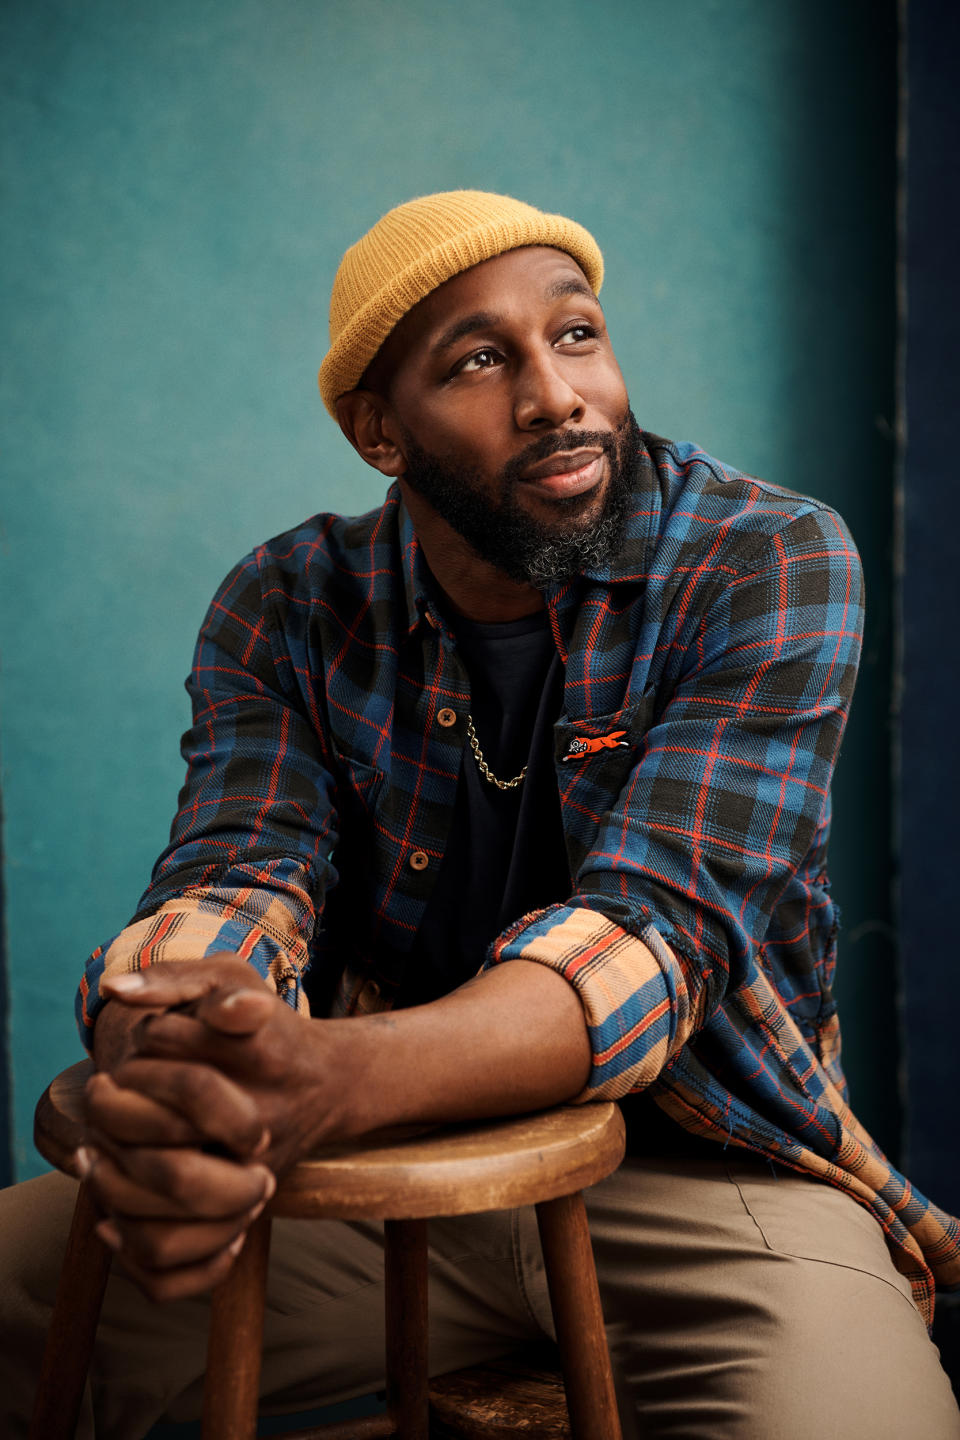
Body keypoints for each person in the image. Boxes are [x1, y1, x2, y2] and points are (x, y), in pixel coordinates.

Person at [2, 190, 958, 1439]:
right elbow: (236, 877)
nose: (557, 394)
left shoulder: (766, 558)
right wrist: (183, 1045)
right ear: (378, 432)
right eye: (477, 360)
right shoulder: (290, 601)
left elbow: (654, 939)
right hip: (385, 1183)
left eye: (576, 336)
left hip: (703, 1181)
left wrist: (319, 1082)